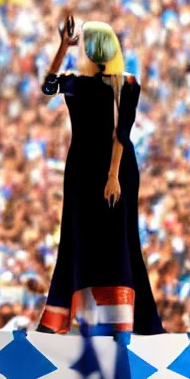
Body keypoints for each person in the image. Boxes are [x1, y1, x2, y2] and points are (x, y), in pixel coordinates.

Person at [37, 17, 165, 336]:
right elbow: (47, 86)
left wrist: (112, 175)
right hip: (82, 172)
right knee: (79, 237)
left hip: (114, 171)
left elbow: (121, 132)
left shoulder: (126, 85)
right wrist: (62, 47)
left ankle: (121, 318)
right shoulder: (79, 84)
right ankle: (88, 314)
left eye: (81, 47)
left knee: (118, 239)